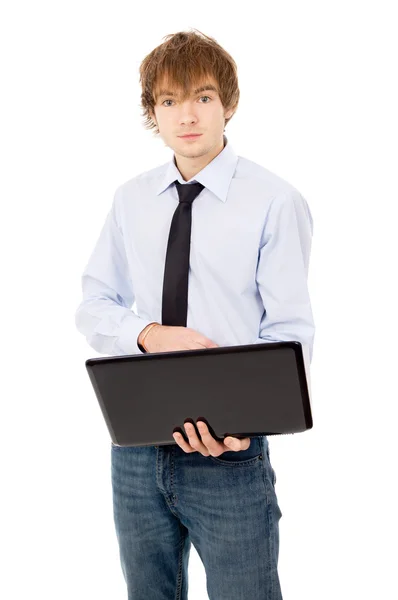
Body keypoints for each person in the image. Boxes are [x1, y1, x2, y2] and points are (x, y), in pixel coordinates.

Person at [75, 28, 315, 600]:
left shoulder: (274, 201)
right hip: (137, 452)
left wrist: (245, 428)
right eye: (168, 100)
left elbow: (289, 334)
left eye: (203, 97)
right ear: (152, 113)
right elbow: (94, 304)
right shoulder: (130, 199)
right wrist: (148, 333)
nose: (187, 115)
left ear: (228, 104)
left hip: (229, 455)